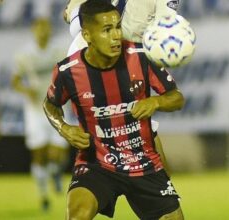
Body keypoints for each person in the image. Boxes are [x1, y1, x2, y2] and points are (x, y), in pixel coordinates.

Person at [43, 1, 185, 219]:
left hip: (141, 160)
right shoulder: (68, 71)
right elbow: (50, 104)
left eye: (117, 27)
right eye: (107, 30)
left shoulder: (141, 57)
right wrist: (63, 128)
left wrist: (155, 102)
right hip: (96, 162)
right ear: (87, 35)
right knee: (77, 214)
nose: (116, 35)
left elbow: (176, 97)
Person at [12, 17, 69, 211]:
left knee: (57, 153)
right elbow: (16, 80)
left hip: (58, 107)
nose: (43, 31)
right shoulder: (24, 55)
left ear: (49, 30)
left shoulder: (59, 51)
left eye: (46, 27)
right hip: (35, 110)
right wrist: (25, 90)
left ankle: (55, 173)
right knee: (39, 154)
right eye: (39, 28)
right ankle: (44, 195)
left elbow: (69, 74)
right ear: (34, 30)